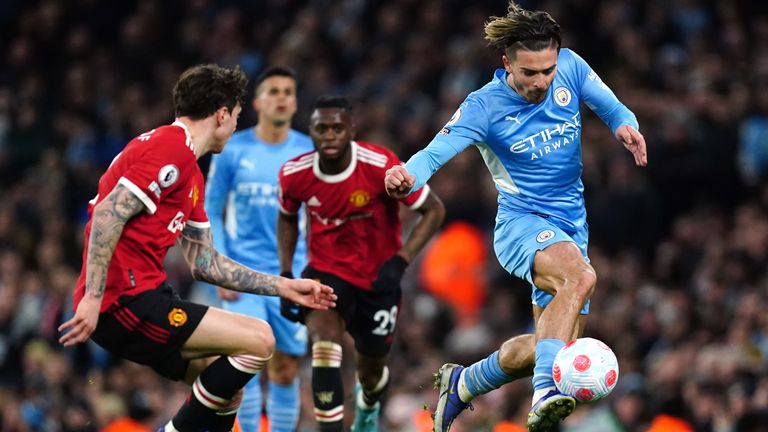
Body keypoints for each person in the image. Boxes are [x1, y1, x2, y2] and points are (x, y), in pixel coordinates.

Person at [384, 2, 647, 431]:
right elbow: (434, 153)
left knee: (555, 342)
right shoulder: (483, 106)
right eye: (530, 73)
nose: (542, 81)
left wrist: (625, 125)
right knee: (581, 278)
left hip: (571, 225)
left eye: (548, 70)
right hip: (521, 224)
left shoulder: (572, 67)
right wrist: (405, 177)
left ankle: (465, 381)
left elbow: (613, 106)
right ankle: (545, 392)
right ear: (507, 64)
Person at [58, 64, 336, 432]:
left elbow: (207, 265)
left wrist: (285, 287)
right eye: (237, 116)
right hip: (122, 300)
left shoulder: (190, 172)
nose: (237, 126)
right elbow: (108, 214)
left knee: (224, 389)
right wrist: (93, 297)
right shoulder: (170, 146)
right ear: (221, 114)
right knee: (259, 339)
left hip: (147, 294)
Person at [277, 96, 445, 432]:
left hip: (378, 280)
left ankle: (367, 408)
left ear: (351, 129)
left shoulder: (381, 165)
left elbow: (434, 210)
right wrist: (285, 275)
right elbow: (286, 218)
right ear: (310, 132)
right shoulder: (294, 174)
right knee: (324, 339)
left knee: (370, 373)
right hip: (327, 273)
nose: (329, 136)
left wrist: (401, 261)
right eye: (321, 129)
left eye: (337, 128)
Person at [205, 66, 313, 432]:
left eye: (288, 91)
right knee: (246, 360)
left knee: (285, 367)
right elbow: (211, 208)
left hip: (292, 275)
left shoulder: (307, 151)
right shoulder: (233, 149)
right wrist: (218, 263)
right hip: (243, 274)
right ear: (258, 102)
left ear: (295, 102)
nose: (282, 97)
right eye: (274, 91)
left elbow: (319, 214)